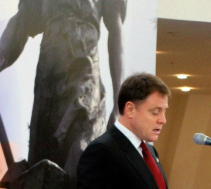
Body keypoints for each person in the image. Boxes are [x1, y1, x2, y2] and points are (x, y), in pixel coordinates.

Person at [0, 0, 126, 178]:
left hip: (83, 77)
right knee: (43, 164)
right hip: (48, 79)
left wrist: (119, 104)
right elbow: (21, 22)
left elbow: (116, 30)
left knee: (80, 156)